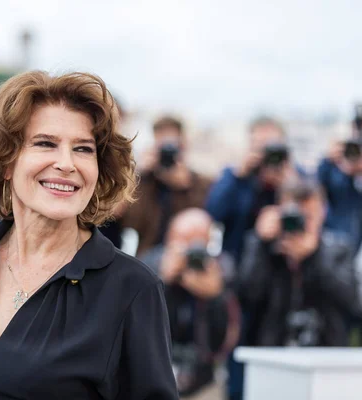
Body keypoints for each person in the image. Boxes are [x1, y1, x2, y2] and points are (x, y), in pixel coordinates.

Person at [0, 71, 179, 399]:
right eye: (45, 143)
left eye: (83, 149)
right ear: (7, 160)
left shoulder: (132, 288)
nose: (67, 163)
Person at [239, 177, 360, 346]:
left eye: (309, 217)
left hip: (325, 350)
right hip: (271, 350)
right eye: (295, 216)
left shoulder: (339, 249)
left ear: (323, 211)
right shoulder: (264, 247)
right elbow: (248, 295)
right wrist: (261, 244)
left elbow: (352, 302)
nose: (301, 224)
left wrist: (314, 255)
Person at [140, 209, 240, 399]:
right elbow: (139, 324)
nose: (190, 250)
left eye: (198, 241)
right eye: (183, 240)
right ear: (169, 238)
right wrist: (163, 281)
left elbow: (224, 338)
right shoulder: (148, 265)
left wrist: (215, 296)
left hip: (203, 379)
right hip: (155, 377)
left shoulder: (221, 268)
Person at [206, 116, 302, 263]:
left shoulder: (298, 178)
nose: (267, 155)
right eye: (260, 147)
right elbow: (212, 214)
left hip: (286, 264)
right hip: (240, 262)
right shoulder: (236, 177)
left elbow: (315, 218)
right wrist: (238, 176)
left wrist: (291, 187)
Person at [123, 116, 212, 256]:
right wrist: (142, 178)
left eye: (172, 146)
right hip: (149, 254)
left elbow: (204, 222)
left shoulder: (199, 182)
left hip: (188, 255)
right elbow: (131, 224)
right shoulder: (146, 180)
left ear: (183, 145)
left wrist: (185, 187)